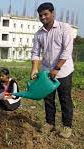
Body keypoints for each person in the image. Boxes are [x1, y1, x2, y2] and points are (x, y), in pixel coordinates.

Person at [30, 2, 74, 138]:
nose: (43, 17)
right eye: (40, 15)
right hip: (46, 72)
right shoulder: (39, 34)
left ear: (53, 13)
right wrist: (34, 69)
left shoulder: (64, 28)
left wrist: (56, 68)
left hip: (63, 71)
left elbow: (67, 51)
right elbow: (35, 52)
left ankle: (67, 126)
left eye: (45, 14)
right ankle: (50, 123)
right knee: (48, 99)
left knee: (65, 98)